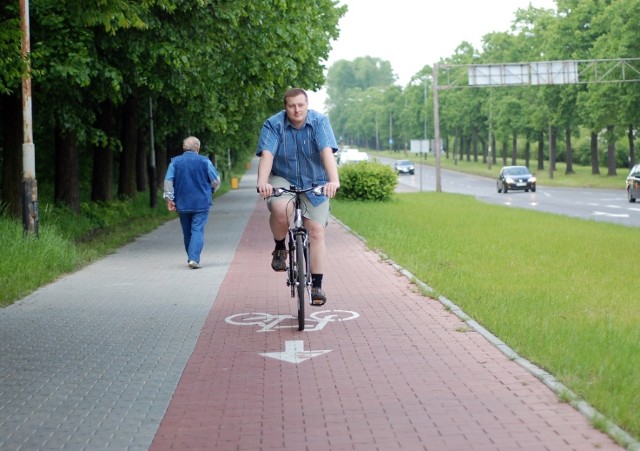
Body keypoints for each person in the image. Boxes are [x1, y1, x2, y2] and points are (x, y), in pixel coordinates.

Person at [256, 88, 340, 306]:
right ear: (285, 107)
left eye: (301, 105)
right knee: (281, 209)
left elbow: (326, 152)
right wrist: (263, 182)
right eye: (292, 105)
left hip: (315, 181)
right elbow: (267, 154)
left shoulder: (319, 122)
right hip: (283, 178)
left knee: (317, 232)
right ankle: (280, 248)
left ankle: (317, 285)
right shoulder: (273, 124)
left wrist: (334, 181)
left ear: (307, 104)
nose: (297, 110)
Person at [163, 136, 220, 269]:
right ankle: (193, 258)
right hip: (201, 203)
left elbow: (168, 182)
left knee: (187, 231)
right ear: (198, 148)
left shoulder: (175, 163)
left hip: (182, 203)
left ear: (184, 148)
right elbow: (216, 181)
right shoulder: (205, 162)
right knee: (197, 230)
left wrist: (170, 199)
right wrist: (210, 191)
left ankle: (191, 257)